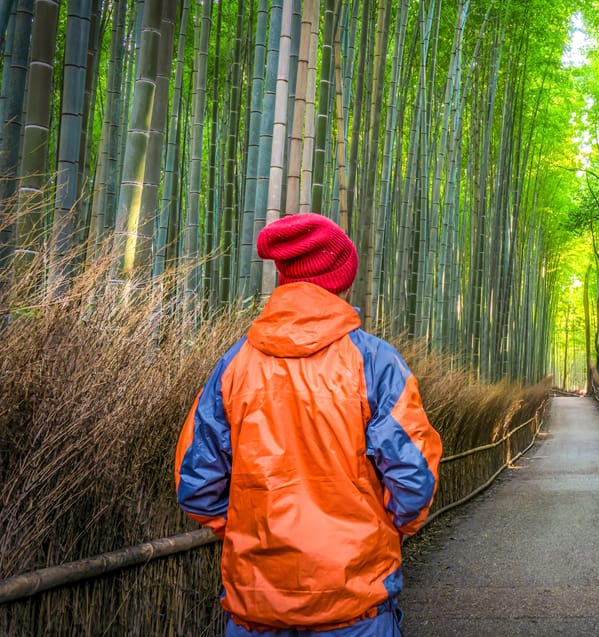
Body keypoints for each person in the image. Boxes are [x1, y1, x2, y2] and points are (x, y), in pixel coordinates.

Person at [175, 213, 442, 636]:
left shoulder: (235, 366)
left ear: (284, 280)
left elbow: (195, 485)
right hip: (355, 607)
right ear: (341, 279)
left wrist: (254, 527)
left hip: (255, 608)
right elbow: (414, 480)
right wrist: (381, 531)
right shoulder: (375, 363)